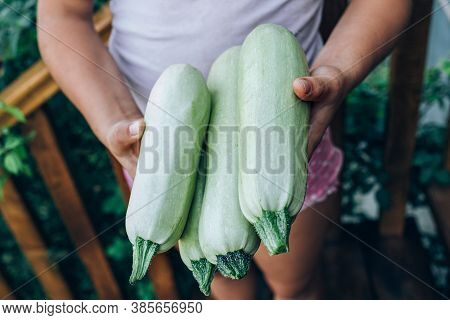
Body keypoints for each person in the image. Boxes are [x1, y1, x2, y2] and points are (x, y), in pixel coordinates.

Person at [37, 0, 411, 299]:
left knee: (294, 284)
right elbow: (62, 14)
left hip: (284, 144)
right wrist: (113, 118)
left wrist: (338, 72)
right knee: (225, 286)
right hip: (162, 156)